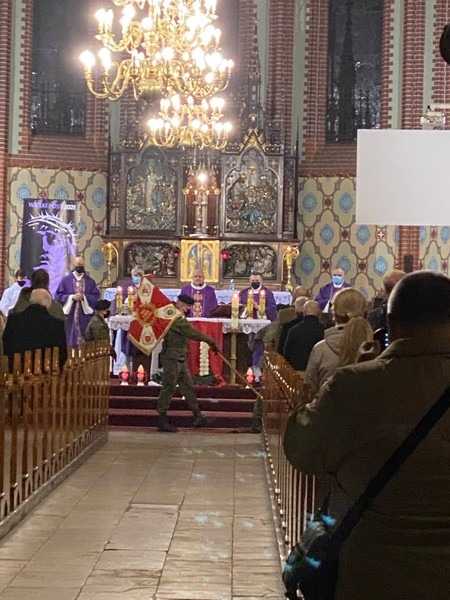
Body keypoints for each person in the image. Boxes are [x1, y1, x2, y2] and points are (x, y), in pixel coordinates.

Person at [283, 271, 450, 600]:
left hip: (372, 567)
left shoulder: (354, 385)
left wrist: (356, 372)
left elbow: (303, 450)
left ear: (390, 322)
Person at [157, 294, 219, 433]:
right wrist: (210, 341)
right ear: (180, 303)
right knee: (169, 387)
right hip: (171, 357)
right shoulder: (174, 316)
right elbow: (191, 332)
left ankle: (198, 416)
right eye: (186, 306)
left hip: (180, 357)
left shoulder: (177, 315)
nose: (187, 309)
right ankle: (161, 419)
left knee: (188, 387)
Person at [305, 288, 372, 397]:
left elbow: (309, 391)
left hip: (327, 406)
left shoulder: (321, 349)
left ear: (334, 315)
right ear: (365, 313)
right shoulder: (374, 347)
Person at [3, 289, 67, 367]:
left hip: (17, 369)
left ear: (30, 301)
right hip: (46, 370)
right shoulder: (57, 324)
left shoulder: (13, 320)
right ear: (48, 304)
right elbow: (63, 355)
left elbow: (6, 345)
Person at [239, 273, 277, 383]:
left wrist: (259, 307)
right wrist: (246, 308)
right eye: (252, 281)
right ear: (249, 281)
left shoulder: (267, 293)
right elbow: (238, 307)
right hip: (246, 325)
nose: (254, 282)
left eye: (257, 280)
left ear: (261, 281)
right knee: (245, 346)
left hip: (262, 326)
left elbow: (272, 310)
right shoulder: (244, 293)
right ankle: (244, 370)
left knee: (258, 345)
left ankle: (257, 372)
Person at [55, 257, 100, 347]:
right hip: (70, 316)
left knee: (86, 338)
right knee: (70, 339)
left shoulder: (90, 281)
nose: (80, 267)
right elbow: (58, 296)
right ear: (74, 265)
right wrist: (71, 297)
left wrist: (84, 297)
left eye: (82, 265)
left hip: (85, 316)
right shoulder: (65, 280)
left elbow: (96, 296)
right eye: (78, 265)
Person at [283, 300, 324, 371]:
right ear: (319, 313)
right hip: (317, 372)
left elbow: (286, 352)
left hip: (296, 371)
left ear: (304, 313)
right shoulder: (324, 330)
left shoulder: (294, 330)